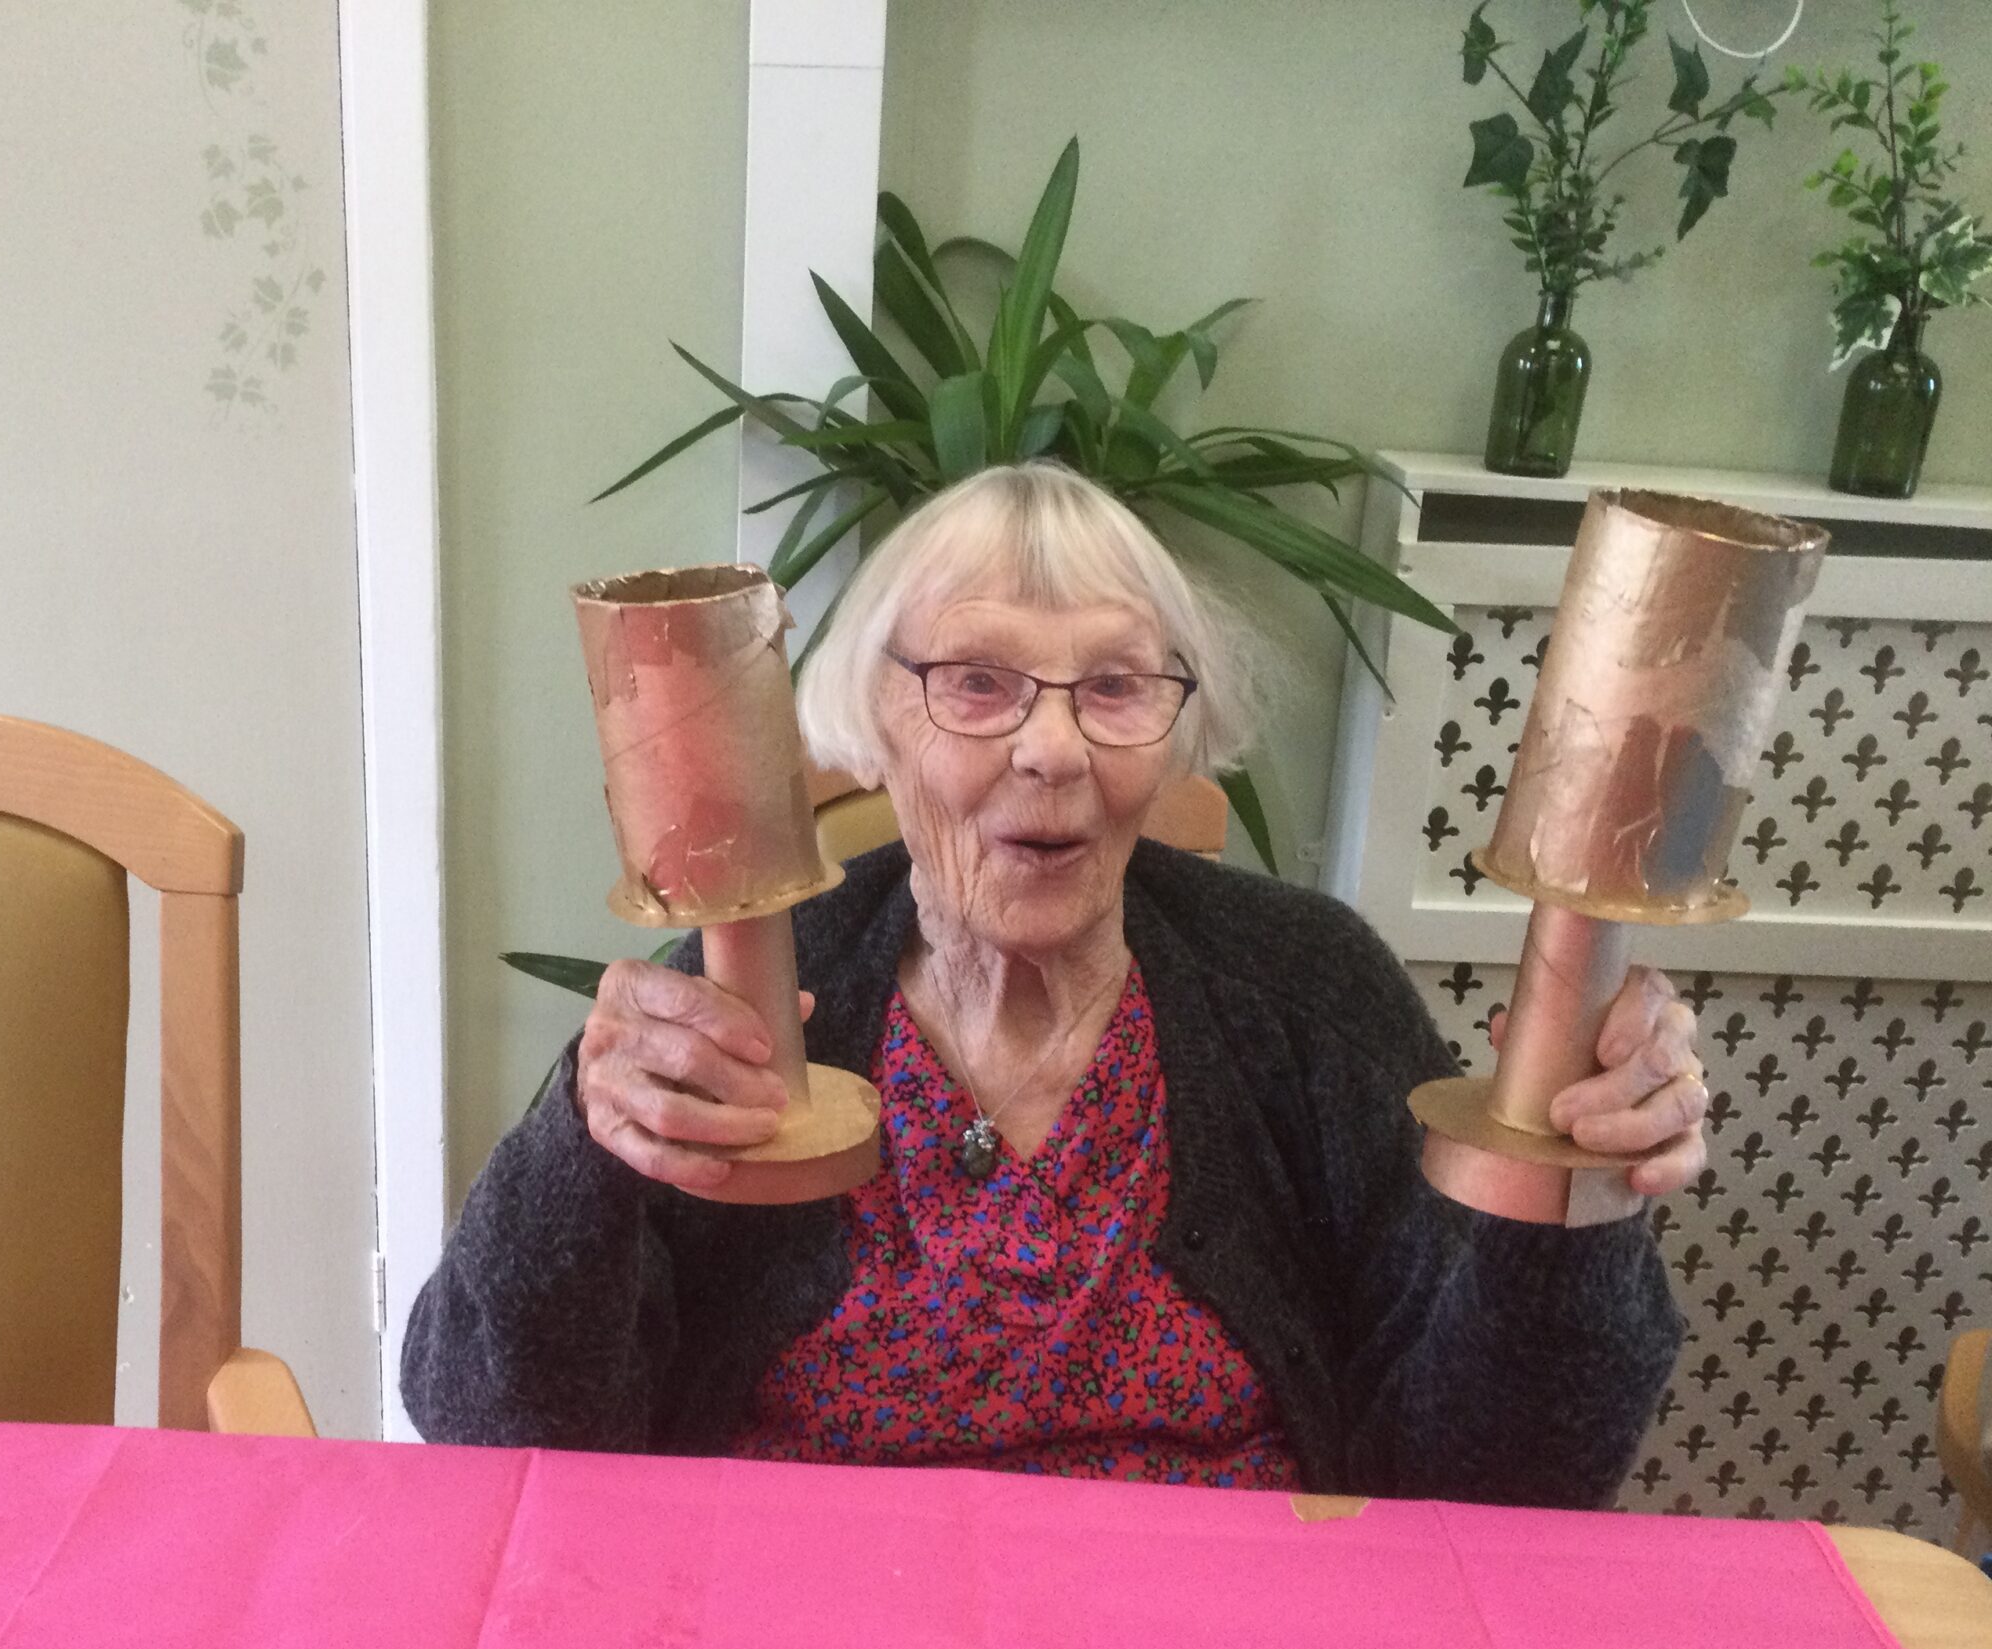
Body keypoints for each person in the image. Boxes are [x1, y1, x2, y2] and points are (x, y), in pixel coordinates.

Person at [404, 461, 1697, 1504]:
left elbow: (1510, 1478)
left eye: (1116, 687)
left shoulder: (1304, 993)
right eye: (977, 683)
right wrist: (584, 1143)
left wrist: (1576, 1181)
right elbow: (488, 1426)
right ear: (878, 716)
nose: (1051, 749)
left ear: (1173, 725)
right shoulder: (739, 1017)